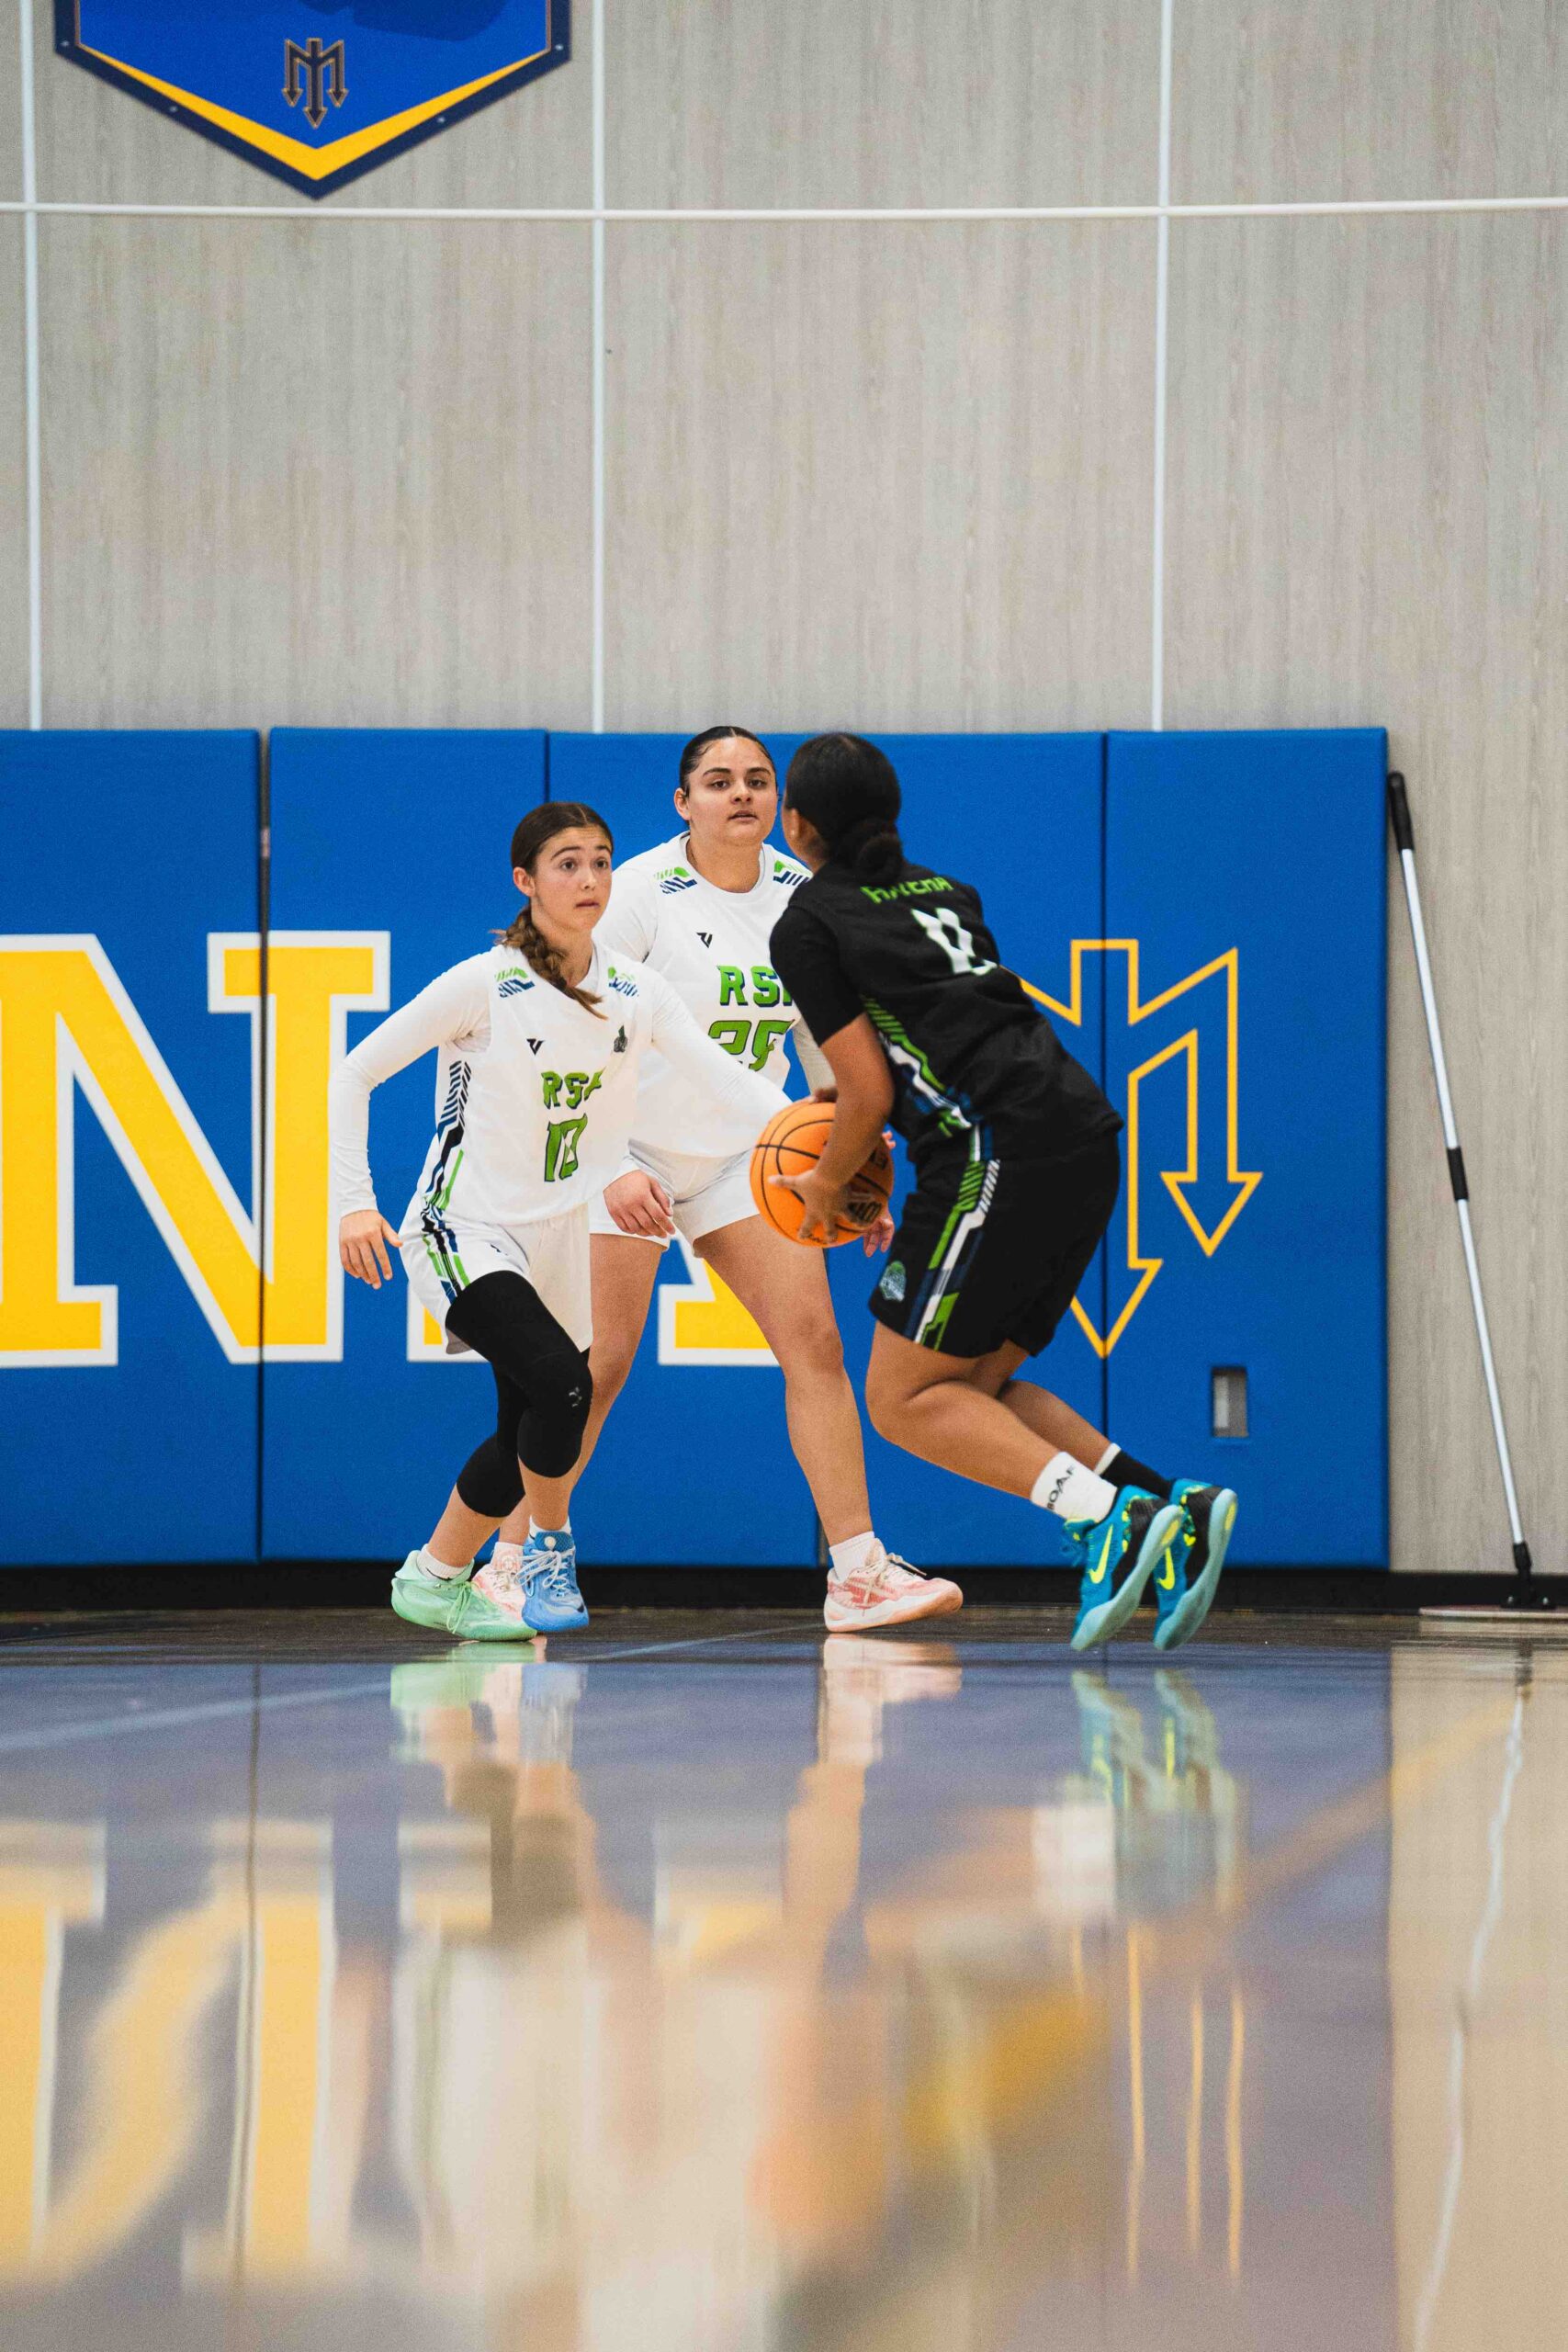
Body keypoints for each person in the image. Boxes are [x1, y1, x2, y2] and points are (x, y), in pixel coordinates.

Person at [767, 733, 1237, 1653]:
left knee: (900, 1400)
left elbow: (865, 1089)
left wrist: (825, 1183)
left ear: (797, 824)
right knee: (968, 1387)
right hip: (1080, 1135)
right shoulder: (947, 891)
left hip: (992, 1151)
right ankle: (1167, 1503)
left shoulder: (808, 921)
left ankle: (1108, 1517)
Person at [491, 725, 963, 1634]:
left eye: (756, 779)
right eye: (717, 781)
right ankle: (509, 1565)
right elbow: (559, 1030)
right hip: (619, 1148)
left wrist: (848, 1169)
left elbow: (820, 1042)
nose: (739, 793)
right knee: (595, 1367)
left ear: (780, 804)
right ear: (683, 803)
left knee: (815, 1345)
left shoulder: (803, 898)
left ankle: (857, 1572)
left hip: (744, 1156)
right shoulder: (636, 895)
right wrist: (608, 1162)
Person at [331, 801, 784, 1641]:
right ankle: (548, 1549)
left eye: (601, 861)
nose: (589, 879)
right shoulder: (482, 984)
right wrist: (354, 1203)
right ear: (526, 881)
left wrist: (815, 1134)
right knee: (563, 1385)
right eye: (567, 863)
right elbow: (354, 1073)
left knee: (535, 1425)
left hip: (559, 1237)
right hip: (462, 1228)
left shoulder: (636, 991)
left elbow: (726, 1080)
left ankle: (432, 1578)